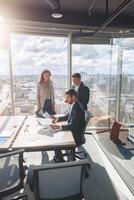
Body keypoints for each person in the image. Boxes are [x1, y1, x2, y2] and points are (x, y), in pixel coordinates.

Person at [51, 89, 86, 162]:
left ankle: (60, 161)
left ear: (73, 97)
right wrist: (57, 119)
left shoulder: (78, 108)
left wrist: (59, 127)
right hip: (73, 130)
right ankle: (59, 157)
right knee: (57, 134)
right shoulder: (74, 104)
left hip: (75, 135)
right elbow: (67, 116)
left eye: (67, 97)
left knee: (56, 139)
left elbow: (73, 126)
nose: (66, 100)